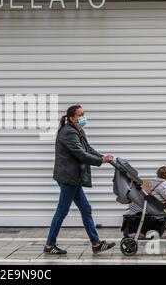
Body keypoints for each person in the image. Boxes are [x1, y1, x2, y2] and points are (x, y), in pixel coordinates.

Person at [44, 104, 116, 255]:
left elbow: (87, 149)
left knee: (85, 209)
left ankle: (96, 244)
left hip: (72, 177)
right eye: (80, 114)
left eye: (84, 114)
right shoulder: (69, 132)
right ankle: (49, 245)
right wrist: (100, 161)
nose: (83, 117)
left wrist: (103, 157)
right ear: (71, 118)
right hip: (69, 178)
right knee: (62, 211)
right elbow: (80, 154)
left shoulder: (77, 130)